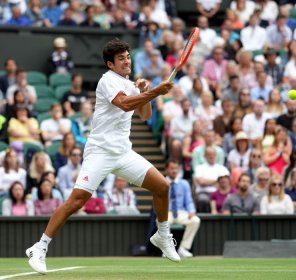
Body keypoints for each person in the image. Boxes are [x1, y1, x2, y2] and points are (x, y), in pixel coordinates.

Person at [26, 39, 181, 275]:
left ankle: (161, 235)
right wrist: (155, 91)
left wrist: (144, 93)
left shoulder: (129, 84)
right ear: (110, 64)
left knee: (162, 187)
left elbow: (144, 116)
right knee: (76, 201)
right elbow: (124, 105)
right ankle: (40, 247)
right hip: (99, 152)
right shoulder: (108, 80)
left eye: (128, 56)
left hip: (123, 153)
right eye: (121, 58)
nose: (126, 60)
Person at [165, 160, 200, 258]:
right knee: (163, 222)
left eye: (176, 168)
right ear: (166, 170)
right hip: (166, 212)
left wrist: (191, 211)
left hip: (181, 212)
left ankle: (183, 248)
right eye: (171, 168)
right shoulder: (162, 182)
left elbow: (188, 200)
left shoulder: (184, 183)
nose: (174, 171)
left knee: (195, 220)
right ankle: (167, 249)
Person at [193, 146, 229, 213]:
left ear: (216, 155)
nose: (211, 156)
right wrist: (217, 180)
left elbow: (226, 183)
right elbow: (201, 182)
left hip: (219, 193)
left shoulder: (222, 168)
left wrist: (207, 181)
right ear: (205, 156)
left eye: (213, 154)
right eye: (209, 154)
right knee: (202, 200)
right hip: (204, 193)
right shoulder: (199, 168)